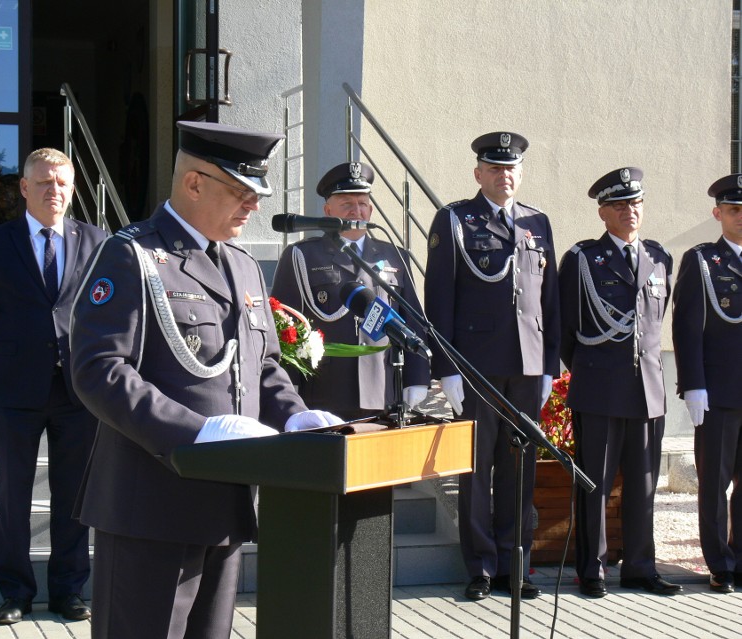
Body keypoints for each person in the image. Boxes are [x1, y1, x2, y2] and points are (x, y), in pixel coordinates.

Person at [69, 121, 342, 639]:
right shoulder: (132, 256)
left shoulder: (242, 265)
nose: (253, 205)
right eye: (241, 191)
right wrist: (194, 431)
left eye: (257, 193)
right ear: (194, 184)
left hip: (224, 508)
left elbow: (261, 364)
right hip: (150, 505)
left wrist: (295, 413)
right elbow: (99, 371)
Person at [0, 148, 107, 624]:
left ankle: (68, 591)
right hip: (12, 391)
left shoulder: (97, 241)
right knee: (12, 496)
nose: (52, 191)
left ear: (73, 188)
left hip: (77, 392)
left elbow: (112, 313)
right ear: (23, 188)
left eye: (61, 183)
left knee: (74, 497)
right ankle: (15, 593)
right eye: (42, 182)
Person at [424, 131, 560, 601]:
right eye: (495, 168)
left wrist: (550, 367)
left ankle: (513, 566)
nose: (505, 176)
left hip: (526, 366)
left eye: (512, 169)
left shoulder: (537, 223)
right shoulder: (456, 220)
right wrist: (446, 367)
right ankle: (481, 567)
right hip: (476, 368)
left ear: (520, 174)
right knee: (476, 470)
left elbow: (551, 302)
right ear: (478, 173)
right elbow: (439, 300)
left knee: (519, 468)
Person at [559, 167, 681, 598]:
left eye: (636, 203)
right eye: (620, 205)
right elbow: (567, 331)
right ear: (603, 212)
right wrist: (596, 369)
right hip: (599, 388)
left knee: (644, 484)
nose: (631, 212)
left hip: (648, 389)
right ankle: (592, 570)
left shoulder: (659, 257)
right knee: (595, 482)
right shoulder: (582, 259)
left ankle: (640, 567)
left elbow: (654, 324)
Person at [270, 162, 429, 420]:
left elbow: (412, 317)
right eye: (347, 204)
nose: (357, 211)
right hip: (325, 389)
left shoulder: (394, 256)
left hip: (383, 388)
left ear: (371, 209)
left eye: (363, 203)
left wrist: (418, 377)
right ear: (327, 210)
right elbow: (283, 325)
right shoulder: (302, 255)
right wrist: (289, 385)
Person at [672, 174, 742, 594]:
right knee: (715, 484)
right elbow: (686, 327)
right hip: (718, 393)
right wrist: (693, 385)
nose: (741, 218)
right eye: (734, 210)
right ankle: (720, 563)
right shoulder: (702, 261)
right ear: (718, 214)